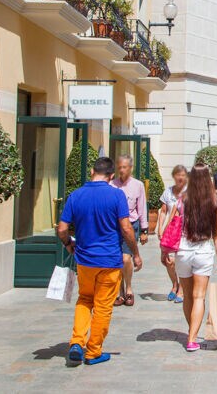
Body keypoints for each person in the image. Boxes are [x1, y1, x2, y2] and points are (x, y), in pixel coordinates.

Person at [57, 157, 142, 366]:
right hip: (109, 261)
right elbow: (126, 228)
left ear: (92, 171)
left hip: (84, 260)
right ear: (111, 175)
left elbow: (61, 229)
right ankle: (93, 351)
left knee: (85, 299)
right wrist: (135, 252)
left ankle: (77, 342)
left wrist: (68, 243)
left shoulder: (75, 196)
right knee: (103, 306)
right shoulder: (116, 195)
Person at [166, 164, 217, 353]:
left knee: (187, 295)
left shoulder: (182, 199)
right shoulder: (213, 201)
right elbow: (216, 233)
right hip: (203, 250)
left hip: (183, 250)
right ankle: (192, 338)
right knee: (199, 296)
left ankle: (191, 330)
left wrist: (165, 250)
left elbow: (172, 224)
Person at [110, 155, 147, 307]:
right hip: (115, 225)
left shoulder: (138, 185)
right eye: (119, 167)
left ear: (130, 168)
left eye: (124, 167)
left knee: (126, 258)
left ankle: (129, 288)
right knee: (117, 259)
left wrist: (145, 229)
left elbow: (142, 207)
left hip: (131, 224)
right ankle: (120, 291)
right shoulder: (111, 185)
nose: (122, 170)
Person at [158, 165, 189, 303]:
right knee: (169, 262)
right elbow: (164, 211)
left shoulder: (189, 192)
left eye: (182, 175)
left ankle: (181, 289)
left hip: (184, 232)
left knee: (180, 261)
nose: (180, 177)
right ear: (174, 176)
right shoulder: (168, 192)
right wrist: (160, 228)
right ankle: (174, 284)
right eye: (178, 175)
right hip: (170, 231)